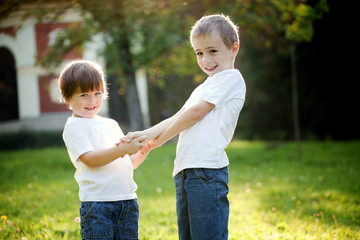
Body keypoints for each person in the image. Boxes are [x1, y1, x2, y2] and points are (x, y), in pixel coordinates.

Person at [124, 14, 246, 240]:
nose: (205, 59)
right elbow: (179, 116)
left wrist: (162, 139)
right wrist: (147, 136)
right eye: (199, 53)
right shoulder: (203, 88)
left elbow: (195, 114)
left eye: (212, 51)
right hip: (186, 171)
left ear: (233, 49)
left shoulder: (231, 79)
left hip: (207, 172)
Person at [58, 59, 150, 240]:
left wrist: (144, 150)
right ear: (68, 98)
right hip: (98, 204)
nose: (92, 101)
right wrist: (123, 149)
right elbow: (90, 159)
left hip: (127, 201)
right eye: (84, 95)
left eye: (97, 93)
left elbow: (126, 163)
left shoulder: (110, 124)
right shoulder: (74, 126)